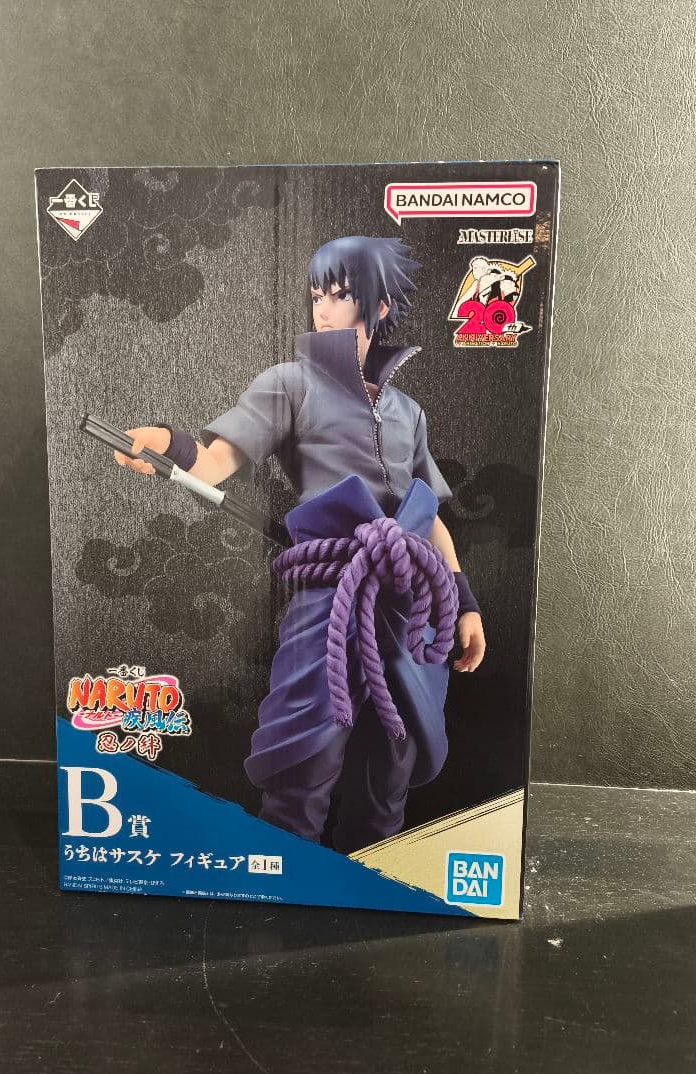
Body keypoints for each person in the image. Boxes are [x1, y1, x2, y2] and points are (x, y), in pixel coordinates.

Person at [115, 236, 486, 853]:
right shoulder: (290, 384)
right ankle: (286, 876)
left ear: (378, 306)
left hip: (412, 601)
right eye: (318, 296)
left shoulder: (409, 412)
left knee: (393, 766)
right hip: (330, 593)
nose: (324, 310)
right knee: (303, 756)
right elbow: (216, 460)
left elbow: (430, 518)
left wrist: (465, 602)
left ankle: (371, 881)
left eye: (340, 296)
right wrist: (169, 445)